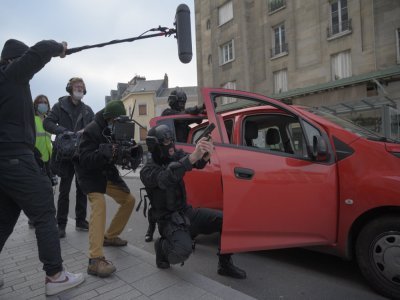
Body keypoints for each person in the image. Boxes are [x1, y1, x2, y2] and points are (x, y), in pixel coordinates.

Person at [0, 38, 84, 295]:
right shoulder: (11, 75)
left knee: (4, 220)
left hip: (7, 161)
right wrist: (59, 47)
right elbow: (39, 51)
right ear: (15, 60)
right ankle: (55, 275)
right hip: (15, 159)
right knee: (45, 210)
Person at [140, 124, 246, 279]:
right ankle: (161, 248)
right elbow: (166, 177)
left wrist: (204, 154)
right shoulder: (147, 171)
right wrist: (192, 157)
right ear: (154, 145)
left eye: (171, 140)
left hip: (186, 212)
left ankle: (225, 264)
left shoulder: (174, 155)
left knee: (227, 221)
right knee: (182, 251)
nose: (170, 145)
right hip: (168, 220)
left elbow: (194, 162)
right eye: (165, 141)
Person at [74, 100, 137, 278]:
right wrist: (104, 152)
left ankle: (110, 236)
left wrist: (128, 157)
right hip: (89, 174)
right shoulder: (92, 129)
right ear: (110, 117)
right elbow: (85, 159)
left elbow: (115, 155)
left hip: (106, 173)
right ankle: (95, 259)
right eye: (117, 121)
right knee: (99, 204)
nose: (118, 125)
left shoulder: (116, 129)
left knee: (129, 200)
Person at [43, 77, 94, 238]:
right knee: (64, 191)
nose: (79, 88)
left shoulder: (87, 110)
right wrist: (64, 131)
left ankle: (80, 221)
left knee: (82, 189)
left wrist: (85, 131)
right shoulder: (60, 106)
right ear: (69, 89)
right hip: (65, 155)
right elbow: (47, 123)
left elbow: (94, 126)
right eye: (77, 86)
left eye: (82, 86)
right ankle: (61, 224)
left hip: (81, 155)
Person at [28, 94, 56, 229]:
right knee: (36, 191)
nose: (43, 104)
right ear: (35, 105)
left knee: (48, 189)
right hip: (35, 159)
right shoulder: (31, 120)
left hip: (47, 159)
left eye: (45, 102)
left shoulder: (48, 120)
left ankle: (47, 216)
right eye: (40, 102)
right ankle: (33, 219)